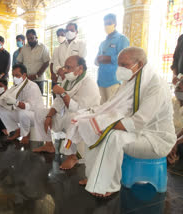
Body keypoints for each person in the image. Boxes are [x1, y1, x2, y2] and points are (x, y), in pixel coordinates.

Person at [64, 47, 175, 198]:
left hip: (155, 139)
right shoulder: (131, 80)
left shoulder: (156, 85)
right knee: (92, 127)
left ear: (140, 64)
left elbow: (139, 121)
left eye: (124, 65)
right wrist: (92, 117)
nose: (120, 69)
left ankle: (109, 184)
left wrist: (106, 125)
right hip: (138, 132)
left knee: (112, 136)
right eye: (119, 64)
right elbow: (111, 105)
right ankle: (93, 177)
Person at [33, 56, 101, 170]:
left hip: (83, 118)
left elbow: (80, 109)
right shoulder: (67, 81)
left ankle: (73, 156)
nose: (65, 70)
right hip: (65, 114)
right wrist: (49, 115)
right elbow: (58, 102)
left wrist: (63, 93)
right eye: (65, 67)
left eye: (68, 67)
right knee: (39, 113)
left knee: (73, 118)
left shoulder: (89, 83)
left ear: (80, 68)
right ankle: (49, 144)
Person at [0, 64, 44, 144]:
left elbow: (28, 107)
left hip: (36, 115)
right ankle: (17, 130)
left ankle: (26, 135)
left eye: (17, 75)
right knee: (0, 109)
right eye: (13, 75)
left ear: (24, 75)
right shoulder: (16, 86)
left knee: (23, 112)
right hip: (22, 114)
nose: (15, 78)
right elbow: (10, 103)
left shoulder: (32, 86)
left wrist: (15, 102)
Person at [96, 13, 129, 104]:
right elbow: (97, 59)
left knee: (112, 110)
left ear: (115, 23)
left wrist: (109, 58)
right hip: (101, 81)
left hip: (114, 81)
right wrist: (99, 59)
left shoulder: (121, 39)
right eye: (105, 24)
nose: (107, 26)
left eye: (109, 23)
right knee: (102, 109)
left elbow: (125, 59)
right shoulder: (103, 43)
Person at [17, 29, 50, 93]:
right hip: (26, 80)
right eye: (28, 38)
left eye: (31, 38)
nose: (30, 40)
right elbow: (19, 62)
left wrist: (37, 75)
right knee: (26, 99)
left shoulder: (43, 47)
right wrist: (23, 74)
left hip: (38, 80)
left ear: (36, 37)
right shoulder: (24, 48)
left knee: (37, 101)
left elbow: (46, 63)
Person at [168, 79, 183, 164]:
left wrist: (176, 142)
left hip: (179, 140)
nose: (177, 91)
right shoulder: (172, 101)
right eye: (176, 88)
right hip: (170, 136)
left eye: (180, 89)